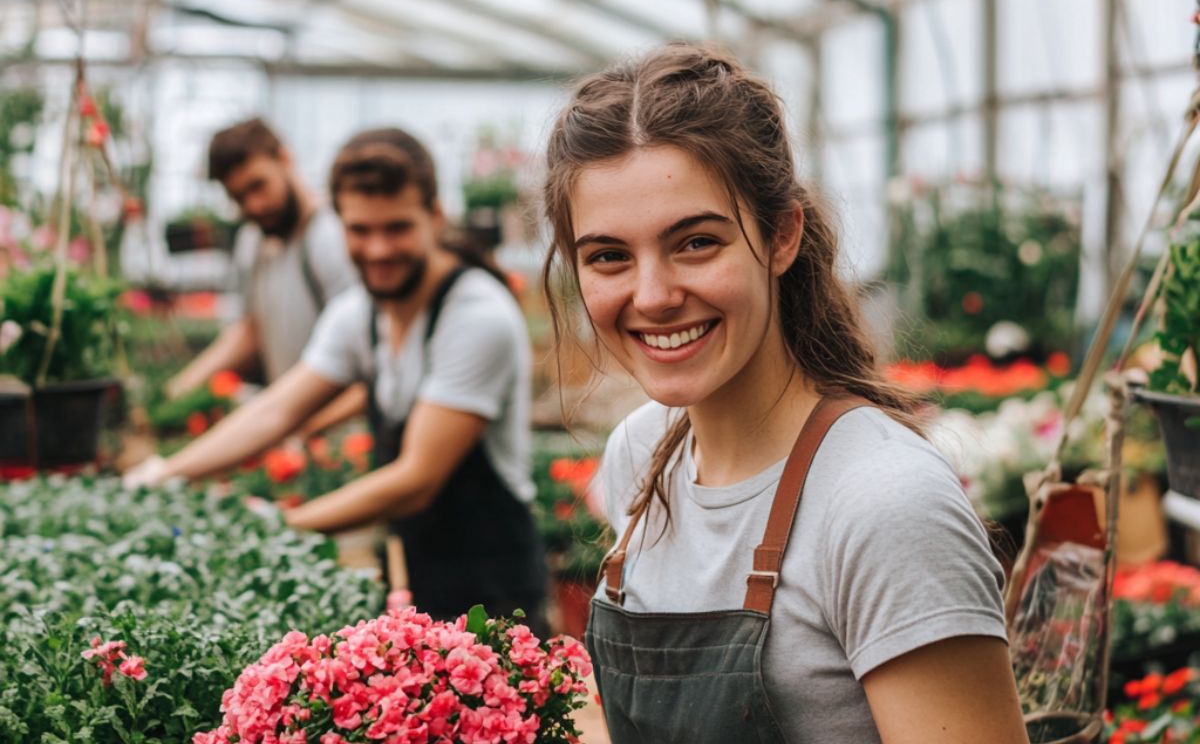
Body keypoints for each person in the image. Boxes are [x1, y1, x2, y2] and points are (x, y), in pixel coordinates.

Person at [540, 44, 1027, 743]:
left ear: (782, 236)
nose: (653, 296)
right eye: (609, 256)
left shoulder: (880, 505)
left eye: (696, 243)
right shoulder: (641, 459)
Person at [131, 127, 547, 627]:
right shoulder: (359, 314)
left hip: (496, 587)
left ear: (435, 219)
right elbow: (276, 410)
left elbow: (417, 478)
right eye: (359, 230)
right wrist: (167, 473)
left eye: (396, 228)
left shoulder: (476, 315)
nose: (377, 249)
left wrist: (279, 525)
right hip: (422, 570)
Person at [165, 118, 358, 397]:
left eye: (258, 186)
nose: (253, 205)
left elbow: (360, 349)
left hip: (335, 428)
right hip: (289, 419)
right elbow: (249, 330)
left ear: (285, 158)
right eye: (239, 197)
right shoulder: (253, 240)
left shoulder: (328, 235)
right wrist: (181, 388)